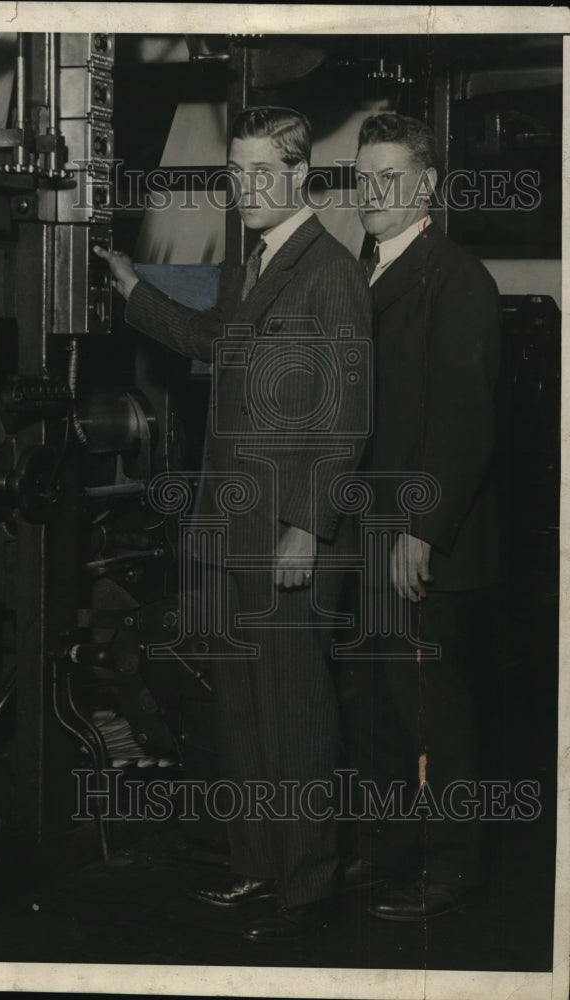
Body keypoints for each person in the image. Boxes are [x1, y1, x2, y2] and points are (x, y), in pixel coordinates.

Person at [95, 106, 371, 943]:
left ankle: (309, 887)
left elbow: (347, 415)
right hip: (231, 525)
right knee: (246, 717)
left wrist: (306, 525)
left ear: (299, 177)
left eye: (263, 173)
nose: (247, 188)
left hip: (287, 533)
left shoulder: (330, 272)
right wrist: (136, 293)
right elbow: (213, 340)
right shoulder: (252, 263)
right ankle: (259, 868)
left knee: (294, 715)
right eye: (236, 173)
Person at [336, 113, 501, 921]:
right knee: (376, 704)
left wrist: (420, 528)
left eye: (390, 178)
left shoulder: (456, 277)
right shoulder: (368, 271)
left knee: (432, 706)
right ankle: (391, 848)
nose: (373, 193)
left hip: (416, 537)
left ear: (427, 185)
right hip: (366, 532)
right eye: (363, 179)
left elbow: (464, 419)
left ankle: (453, 863)